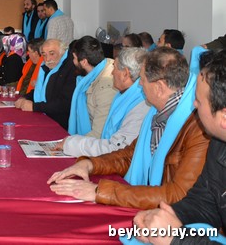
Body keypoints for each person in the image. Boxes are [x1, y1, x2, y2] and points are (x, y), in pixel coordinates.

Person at [47, 47, 210, 209]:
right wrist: (89, 164)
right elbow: (129, 154)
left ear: (159, 88)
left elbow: (178, 195)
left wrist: (100, 191)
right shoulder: (157, 112)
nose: (139, 84)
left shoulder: (198, 128)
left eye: (142, 79)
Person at [132, 49, 226, 243]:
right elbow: (205, 201)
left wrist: (176, 238)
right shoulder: (219, 143)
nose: (194, 105)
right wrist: (165, 215)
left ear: (223, 118)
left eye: (199, 101)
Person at [61, 47, 151, 157]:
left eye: (114, 68)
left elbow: (118, 149)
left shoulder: (142, 105)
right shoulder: (123, 94)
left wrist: (73, 144)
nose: (112, 73)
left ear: (125, 74)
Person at [15, 39, 77, 130]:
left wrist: (35, 107)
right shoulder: (46, 67)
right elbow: (41, 90)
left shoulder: (72, 69)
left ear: (62, 53)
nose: (47, 59)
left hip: (61, 124)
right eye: (44, 55)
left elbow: (65, 103)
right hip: (44, 116)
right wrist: (25, 98)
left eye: (52, 54)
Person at [66, 36, 118, 139]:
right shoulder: (98, 70)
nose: (73, 62)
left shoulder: (105, 87)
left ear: (84, 62)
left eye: (74, 58)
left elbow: (99, 134)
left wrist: (72, 143)